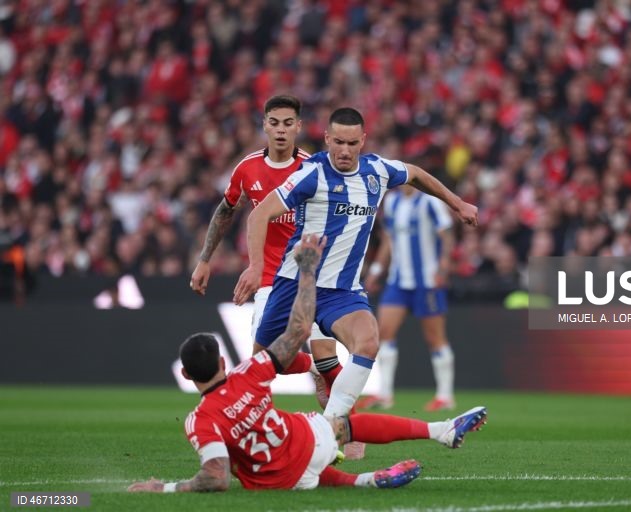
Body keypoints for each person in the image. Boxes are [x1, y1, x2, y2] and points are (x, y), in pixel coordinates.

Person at [128, 234, 488, 493]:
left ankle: (362, 480)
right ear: (223, 360)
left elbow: (217, 475)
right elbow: (299, 329)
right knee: (339, 427)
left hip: (280, 484)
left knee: (287, 465)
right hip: (309, 445)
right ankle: (438, 431)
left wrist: (164, 488)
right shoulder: (249, 373)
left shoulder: (199, 420)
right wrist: (307, 271)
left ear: (186, 373)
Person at [232, 107, 478, 422]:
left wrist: (457, 204)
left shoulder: (377, 171)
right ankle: (248, 423)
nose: (344, 151)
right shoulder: (312, 174)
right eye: (338, 142)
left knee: (369, 341)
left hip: (341, 291)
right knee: (262, 366)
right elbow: (259, 213)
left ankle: (332, 426)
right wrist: (254, 268)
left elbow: (414, 173)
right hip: (293, 284)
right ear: (326, 139)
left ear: (362, 141)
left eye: (351, 143)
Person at [188, 95, 347, 419]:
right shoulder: (247, 168)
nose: (280, 130)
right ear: (264, 125)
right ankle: (312, 370)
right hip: (269, 277)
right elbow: (225, 211)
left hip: (309, 273)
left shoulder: (312, 167)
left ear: (298, 127)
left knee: (326, 355)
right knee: (266, 360)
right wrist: (205, 259)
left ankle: (352, 432)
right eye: (274, 123)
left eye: (288, 123)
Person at [360, 185, 456, 412]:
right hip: (398, 281)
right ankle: (384, 394)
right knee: (384, 333)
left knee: (435, 338)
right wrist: (375, 271)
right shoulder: (392, 202)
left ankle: (445, 396)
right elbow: (388, 241)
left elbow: (447, 236)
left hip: (427, 282)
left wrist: (443, 267)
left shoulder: (430, 202)